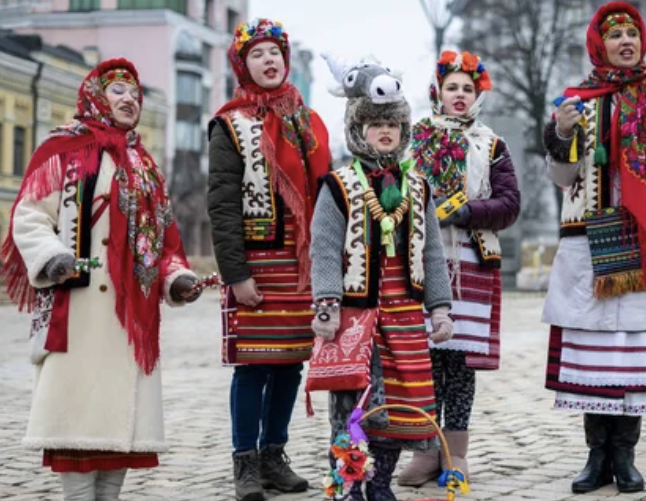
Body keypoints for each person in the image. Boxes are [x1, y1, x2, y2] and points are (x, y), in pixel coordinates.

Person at [0, 58, 200, 501]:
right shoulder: (62, 151)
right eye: (118, 92)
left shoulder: (145, 166)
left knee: (119, 429)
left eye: (135, 94)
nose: (129, 99)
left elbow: (165, 242)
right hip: (80, 308)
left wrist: (177, 280)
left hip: (132, 317)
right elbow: (30, 216)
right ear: (94, 96)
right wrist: (53, 259)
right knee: (77, 418)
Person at [541, 1, 646, 494]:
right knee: (595, 351)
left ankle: (626, 457)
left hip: (644, 244)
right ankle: (597, 457)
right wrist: (564, 132)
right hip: (590, 246)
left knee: (633, 352)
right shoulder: (577, 101)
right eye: (615, 34)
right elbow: (562, 177)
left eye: (632, 34)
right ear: (600, 44)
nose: (625, 42)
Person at [310, 56, 455, 501]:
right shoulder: (338, 185)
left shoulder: (419, 187)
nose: (385, 131)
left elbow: (432, 250)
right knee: (355, 402)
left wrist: (440, 306)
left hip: (405, 314)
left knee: (399, 404)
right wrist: (328, 303)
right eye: (375, 124)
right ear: (358, 130)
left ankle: (382, 482)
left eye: (392, 123)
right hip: (356, 316)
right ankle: (351, 482)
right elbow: (324, 247)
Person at [207, 17, 331, 501]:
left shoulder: (307, 121)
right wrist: (235, 274)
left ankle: (273, 455)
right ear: (243, 65)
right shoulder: (229, 124)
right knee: (253, 365)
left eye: (275, 52)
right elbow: (221, 205)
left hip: (299, 264)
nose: (269, 60)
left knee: (290, 364)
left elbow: (326, 194)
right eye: (257, 54)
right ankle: (244, 462)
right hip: (258, 264)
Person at [398, 50, 520, 486]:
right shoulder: (413, 139)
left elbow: (509, 204)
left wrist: (465, 210)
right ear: (438, 91)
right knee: (425, 360)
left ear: (477, 95)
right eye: (453, 87)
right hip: (422, 260)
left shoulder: (491, 144)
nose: (460, 95)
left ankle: (457, 453)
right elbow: (395, 189)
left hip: (470, 260)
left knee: (460, 364)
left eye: (468, 89)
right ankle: (425, 451)